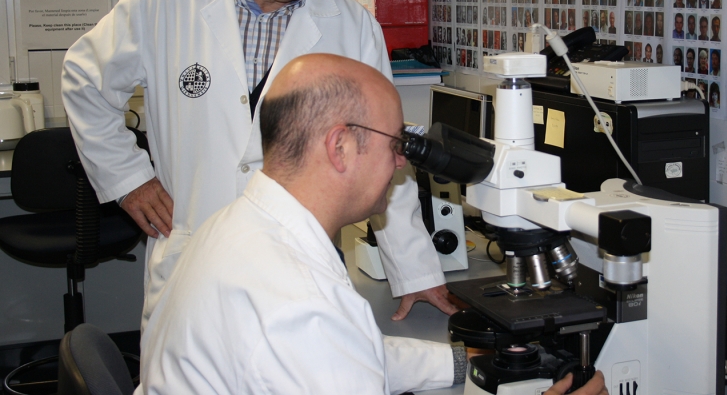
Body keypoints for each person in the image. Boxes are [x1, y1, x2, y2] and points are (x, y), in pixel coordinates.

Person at [61, 0, 452, 329]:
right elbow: (85, 80)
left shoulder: (350, 25)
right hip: (193, 257)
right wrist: (129, 180)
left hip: (302, 268)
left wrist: (414, 271)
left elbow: (382, 149)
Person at [139, 54, 608, 395]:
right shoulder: (298, 301)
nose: (402, 163)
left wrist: (462, 362)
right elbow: (320, 339)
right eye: (396, 144)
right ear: (339, 147)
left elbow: (352, 353)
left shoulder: (237, 227)